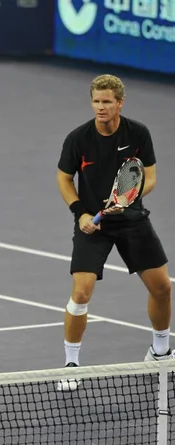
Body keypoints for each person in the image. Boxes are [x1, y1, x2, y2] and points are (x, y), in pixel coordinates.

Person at [56, 74, 173, 391]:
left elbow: (149, 177)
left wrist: (130, 197)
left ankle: (160, 349)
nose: (100, 107)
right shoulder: (78, 139)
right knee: (81, 294)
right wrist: (79, 212)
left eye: (107, 101)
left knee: (162, 288)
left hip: (132, 219)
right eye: (96, 101)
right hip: (92, 225)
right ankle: (71, 364)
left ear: (120, 103)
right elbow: (64, 179)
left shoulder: (138, 133)